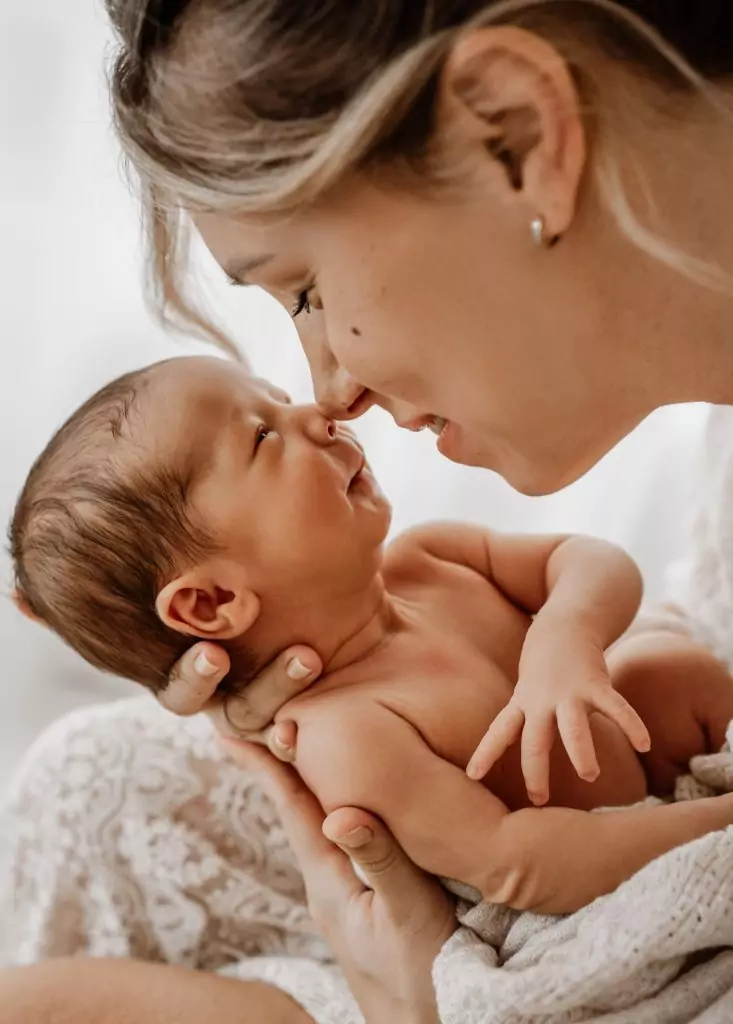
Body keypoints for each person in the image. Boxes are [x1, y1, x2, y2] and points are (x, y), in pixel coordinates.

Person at [5, 1, 733, 1021]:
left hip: (557, 908)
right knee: (95, 785)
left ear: (512, 137)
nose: (330, 393)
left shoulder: (436, 559)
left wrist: (412, 1005)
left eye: (301, 288)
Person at [13, 352, 733, 918]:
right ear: (210, 603)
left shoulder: (428, 558)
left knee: (668, 670)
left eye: (277, 395)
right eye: (263, 436)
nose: (317, 415)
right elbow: (516, 863)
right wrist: (713, 829)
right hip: (595, 865)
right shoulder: (347, 733)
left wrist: (566, 634)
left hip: (658, 762)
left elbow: (589, 562)